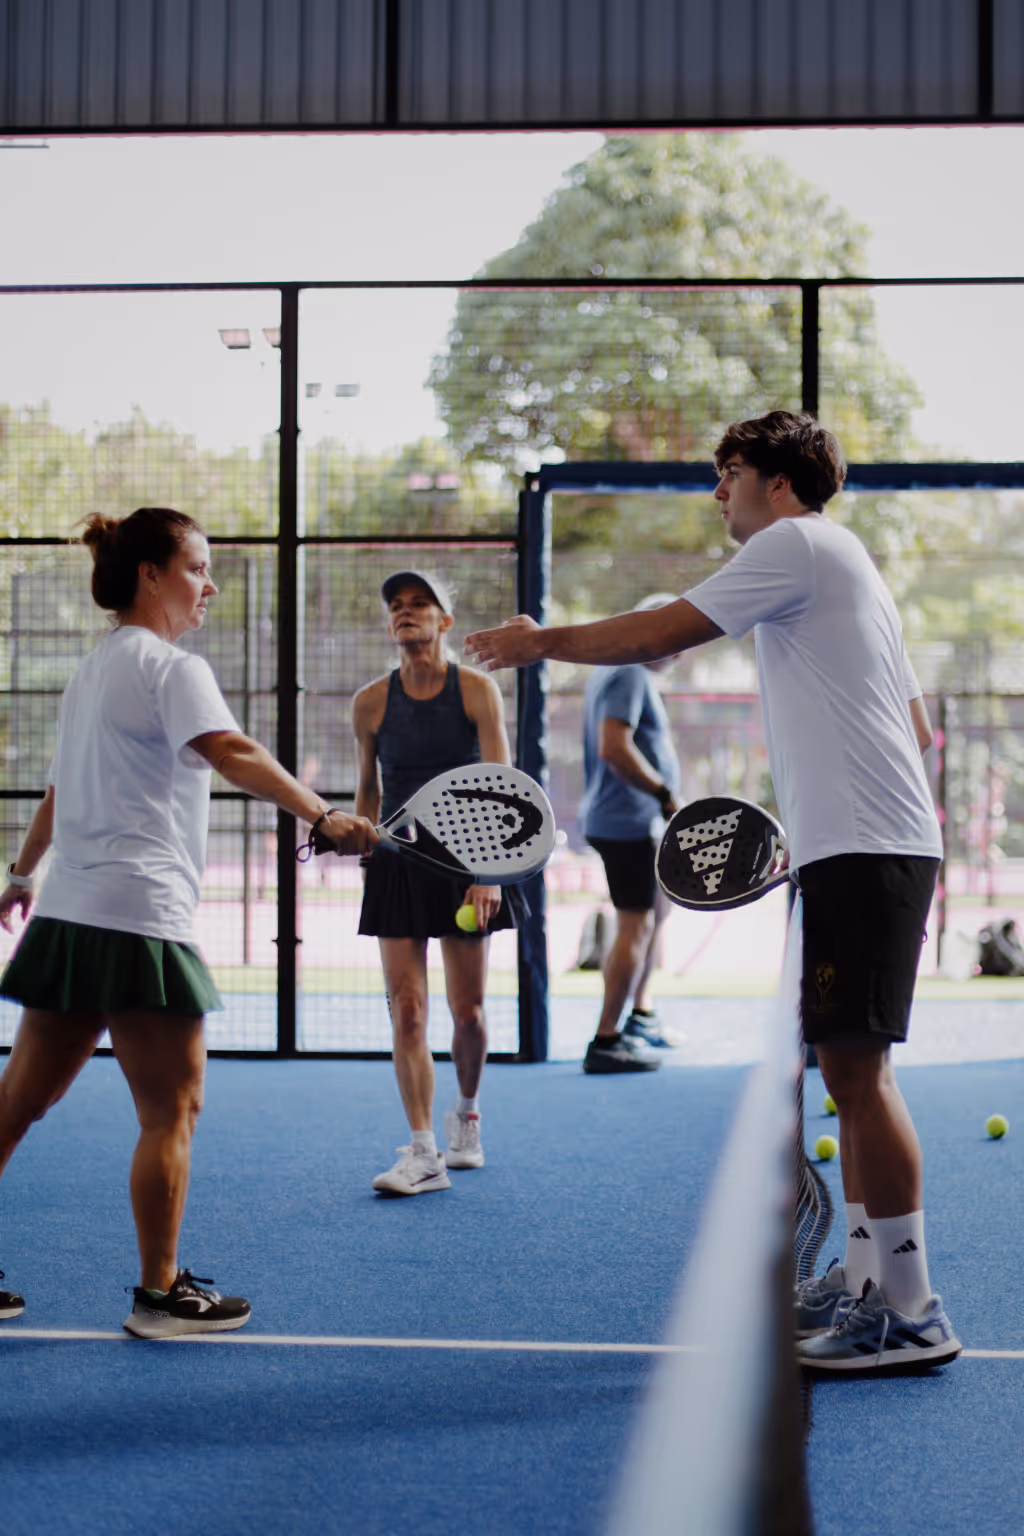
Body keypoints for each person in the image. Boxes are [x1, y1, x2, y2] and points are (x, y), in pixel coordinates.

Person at [466, 411, 961, 1374]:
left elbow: (663, 629)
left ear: (779, 482)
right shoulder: (844, 559)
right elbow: (919, 730)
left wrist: (541, 643)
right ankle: (869, 1285)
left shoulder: (797, 544)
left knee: (859, 1077)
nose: (717, 490)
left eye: (728, 471)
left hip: (867, 849)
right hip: (862, 845)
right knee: (848, 1074)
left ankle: (911, 1310)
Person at [0, 507, 376, 1337]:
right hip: (139, 918)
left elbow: (58, 797)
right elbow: (232, 752)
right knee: (172, 1112)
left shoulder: (91, 670)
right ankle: (162, 1296)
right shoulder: (172, 669)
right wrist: (325, 817)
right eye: (198, 567)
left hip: (69, 918)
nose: (208, 584)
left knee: (15, 1106)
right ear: (150, 575)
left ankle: (160, 1288)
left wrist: (21, 878)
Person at [353, 571, 528, 1196]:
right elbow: (370, 790)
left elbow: (501, 787)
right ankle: (423, 1151)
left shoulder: (478, 690)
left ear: (443, 621)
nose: (405, 613)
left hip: (466, 866)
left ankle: (468, 1113)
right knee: (407, 1010)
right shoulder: (370, 701)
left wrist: (489, 875)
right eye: (396, 605)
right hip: (398, 864)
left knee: (469, 1012)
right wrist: (365, 843)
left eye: (419, 604)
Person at [578, 594, 682, 1074]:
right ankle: (606, 1038)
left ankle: (639, 1015)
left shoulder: (621, 671)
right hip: (627, 821)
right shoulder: (629, 671)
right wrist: (663, 791)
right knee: (635, 925)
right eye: (677, 634)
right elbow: (613, 747)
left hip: (634, 821)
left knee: (652, 918)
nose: (683, 646)